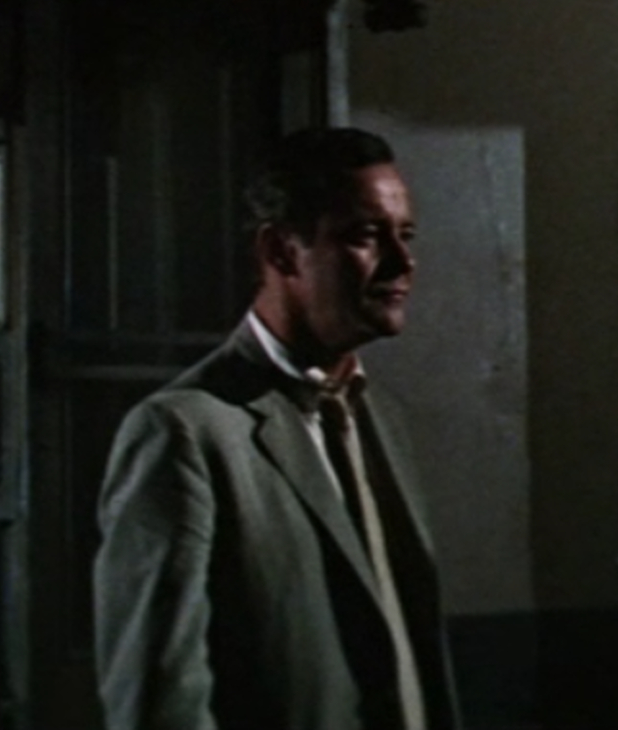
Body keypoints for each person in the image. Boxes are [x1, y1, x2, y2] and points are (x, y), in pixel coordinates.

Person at [93, 127, 459, 730]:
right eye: (366, 236)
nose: (402, 262)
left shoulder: (380, 416)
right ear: (282, 251)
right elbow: (158, 702)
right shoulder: (185, 433)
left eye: (407, 235)